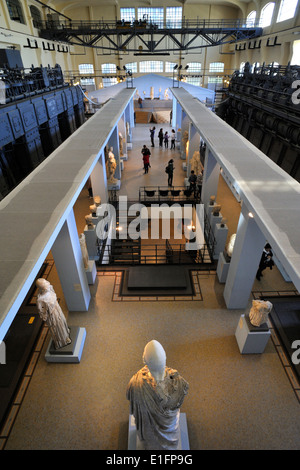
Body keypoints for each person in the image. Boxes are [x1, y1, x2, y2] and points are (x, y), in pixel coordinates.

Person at [126, 340, 189, 450]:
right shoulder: (179, 382)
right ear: (165, 357)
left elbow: (130, 401)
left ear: (144, 360)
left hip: (148, 436)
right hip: (170, 431)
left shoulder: (135, 384)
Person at [36, 278, 71, 350]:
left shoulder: (50, 289)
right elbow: (43, 314)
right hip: (52, 315)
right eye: (45, 283)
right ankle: (62, 341)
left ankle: (66, 334)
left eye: (46, 281)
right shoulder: (40, 300)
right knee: (57, 328)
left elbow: (54, 298)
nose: (48, 283)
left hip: (57, 309)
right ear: (42, 287)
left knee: (62, 322)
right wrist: (48, 318)